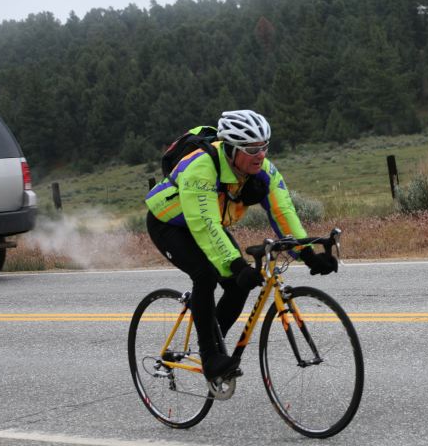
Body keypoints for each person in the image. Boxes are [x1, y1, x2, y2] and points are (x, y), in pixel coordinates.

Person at [145, 109, 338, 382]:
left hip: (207, 225)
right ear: (232, 149)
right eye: (251, 149)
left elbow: (283, 212)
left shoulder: (263, 170)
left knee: (238, 285)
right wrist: (235, 265)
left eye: (264, 147)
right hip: (169, 224)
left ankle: (214, 344)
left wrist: (308, 254)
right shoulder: (200, 167)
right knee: (206, 275)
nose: (260, 154)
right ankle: (210, 357)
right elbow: (205, 225)